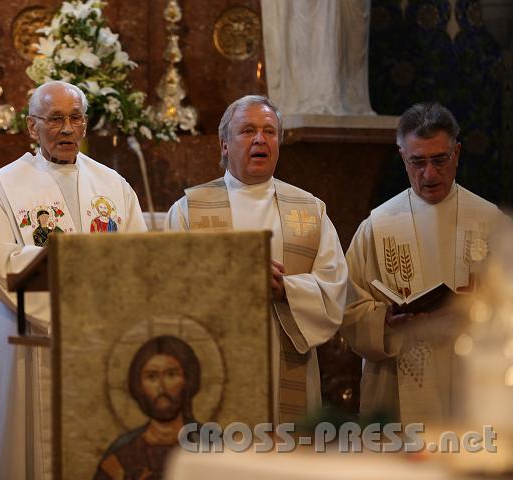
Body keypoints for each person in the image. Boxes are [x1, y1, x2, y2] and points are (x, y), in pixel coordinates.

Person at [0, 80, 147, 479]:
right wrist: (78, 278)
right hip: (33, 339)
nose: (67, 128)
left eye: (75, 118)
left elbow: (139, 256)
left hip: (101, 336)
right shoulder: (3, 186)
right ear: (32, 128)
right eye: (55, 119)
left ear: (86, 125)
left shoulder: (113, 185)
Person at [165, 95, 347, 426]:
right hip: (215, 364)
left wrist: (285, 289)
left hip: (288, 361)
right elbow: (170, 288)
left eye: (269, 131)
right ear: (224, 144)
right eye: (248, 130)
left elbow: (333, 287)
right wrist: (239, 281)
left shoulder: (309, 210)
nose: (260, 139)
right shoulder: (190, 209)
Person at [341, 102, 503, 424]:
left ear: (456, 153)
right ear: (402, 156)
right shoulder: (377, 227)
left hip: (473, 381)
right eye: (417, 161)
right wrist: (385, 321)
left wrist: (489, 303)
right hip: (397, 387)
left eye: (440, 159)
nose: (429, 173)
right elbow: (346, 309)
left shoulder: (491, 222)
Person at [95, 335, 200, 480]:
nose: (161, 387)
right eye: (152, 377)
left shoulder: (212, 445)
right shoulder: (120, 457)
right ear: (139, 386)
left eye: (171, 375)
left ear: (188, 381)